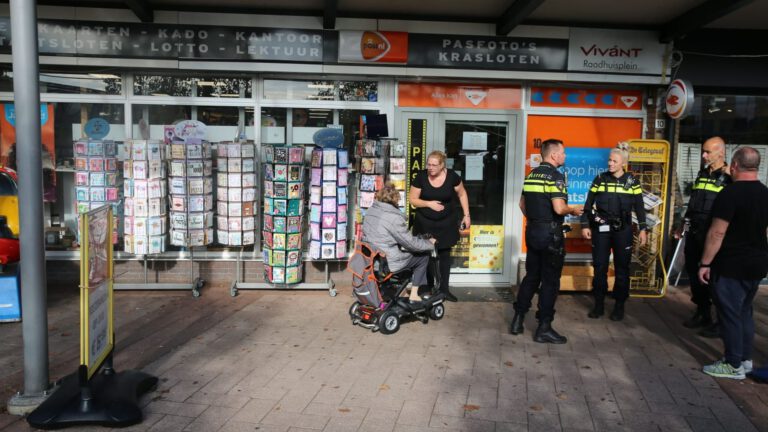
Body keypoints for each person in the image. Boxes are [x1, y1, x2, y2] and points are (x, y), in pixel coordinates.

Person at [697, 146, 768, 380]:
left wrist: (705, 263)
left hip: (731, 265)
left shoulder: (730, 194)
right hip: (756, 264)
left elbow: (717, 233)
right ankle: (745, 360)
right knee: (744, 311)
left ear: (735, 166)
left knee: (729, 314)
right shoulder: (765, 193)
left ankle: (732, 363)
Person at [510, 139, 583, 343]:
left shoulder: (531, 175)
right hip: (551, 235)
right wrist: (574, 209)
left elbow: (522, 205)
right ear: (553, 155)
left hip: (533, 231)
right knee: (550, 281)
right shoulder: (555, 176)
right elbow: (560, 208)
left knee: (531, 277)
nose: (565, 156)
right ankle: (544, 327)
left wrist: (536, 219)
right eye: (563, 152)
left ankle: (517, 319)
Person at [581, 146, 648, 321]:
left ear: (624, 163)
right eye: (609, 160)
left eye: (614, 161)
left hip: (623, 230)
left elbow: (640, 207)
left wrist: (643, 228)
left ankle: (619, 306)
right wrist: (585, 225)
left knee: (622, 269)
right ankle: (599, 305)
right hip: (601, 229)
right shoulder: (600, 178)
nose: (610, 163)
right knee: (600, 267)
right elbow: (588, 204)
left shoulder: (632, 181)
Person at [681, 136, 731, 337]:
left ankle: (721, 321)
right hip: (694, 232)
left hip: (713, 237)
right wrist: (681, 224)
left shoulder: (730, 177)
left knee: (715, 279)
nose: (704, 155)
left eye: (708, 152)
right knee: (694, 274)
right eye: (703, 151)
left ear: (721, 152)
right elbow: (693, 203)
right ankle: (702, 312)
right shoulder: (702, 174)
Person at [409, 150, 470, 302]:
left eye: (434, 165)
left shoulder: (452, 177)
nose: (430, 168)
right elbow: (413, 199)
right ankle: (428, 288)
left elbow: (462, 194)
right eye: (428, 164)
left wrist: (466, 215)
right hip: (425, 222)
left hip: (446, 222)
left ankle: (444, 290)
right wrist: (428, 203)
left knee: (444, 255)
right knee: (426, 256)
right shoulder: (421, 177)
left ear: (442, 165)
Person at [362, 183, 436, 302]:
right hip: (387, 262)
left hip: (372, 259)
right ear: (395, 200)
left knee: (408, 255)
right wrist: (429, 244)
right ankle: (415, 293)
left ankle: (402, 291)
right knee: (422, 256)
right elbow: (411, 243)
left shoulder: (371, 211)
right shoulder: (393, 217)